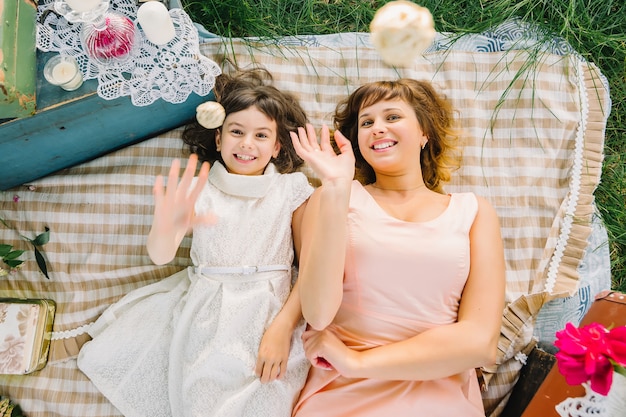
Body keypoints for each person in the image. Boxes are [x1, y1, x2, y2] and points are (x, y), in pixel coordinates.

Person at [77, 68, 314, 417]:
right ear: (218, 139)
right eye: (236, 132)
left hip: (273, 312)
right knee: (200, 400)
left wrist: (282, 328)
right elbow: (160, 256)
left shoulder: (290, 190)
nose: (247, 143)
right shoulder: (198, 189)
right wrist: (166, 223)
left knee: (267, 398)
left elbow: (310, 269)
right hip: (208, 314)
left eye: (261, 135)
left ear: (277, 146)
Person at [289, 78, 506, 416]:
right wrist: (335, 188)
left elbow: (480, 343)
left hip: (438, 388)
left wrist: (358, 362)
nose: (377, 128)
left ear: (425, 133)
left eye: (392, 117)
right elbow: (317, 312)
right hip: (343, 393)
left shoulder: (475, 212)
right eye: (366, 122)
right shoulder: (333, 198)